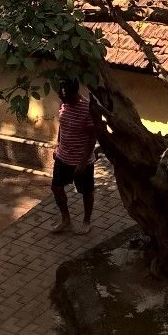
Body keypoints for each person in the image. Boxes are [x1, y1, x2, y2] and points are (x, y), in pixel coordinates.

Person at [50, 78, 97, 234]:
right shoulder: (63, 104)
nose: (62, 99)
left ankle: (86, 221)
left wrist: (83, 163)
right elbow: (62, 126)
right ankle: (66, 219)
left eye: (65, 96)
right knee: (56, 187)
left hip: (81, 160)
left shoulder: (87, 108)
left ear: (74, 92)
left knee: (86, 191)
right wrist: (58, 146)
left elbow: (92, 137)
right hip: (63, 156)